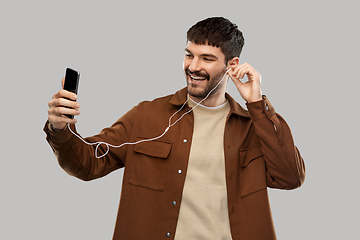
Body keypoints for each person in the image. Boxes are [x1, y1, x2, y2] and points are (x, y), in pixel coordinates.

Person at [45, 17, 305, 240]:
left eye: (207, 58)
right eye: (189, 54)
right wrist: (59, 128)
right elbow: (88, 164)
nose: (193, 66)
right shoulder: (147, 116)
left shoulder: (253, 126)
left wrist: (257, 105)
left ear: (232, 65)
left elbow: (290, 178)